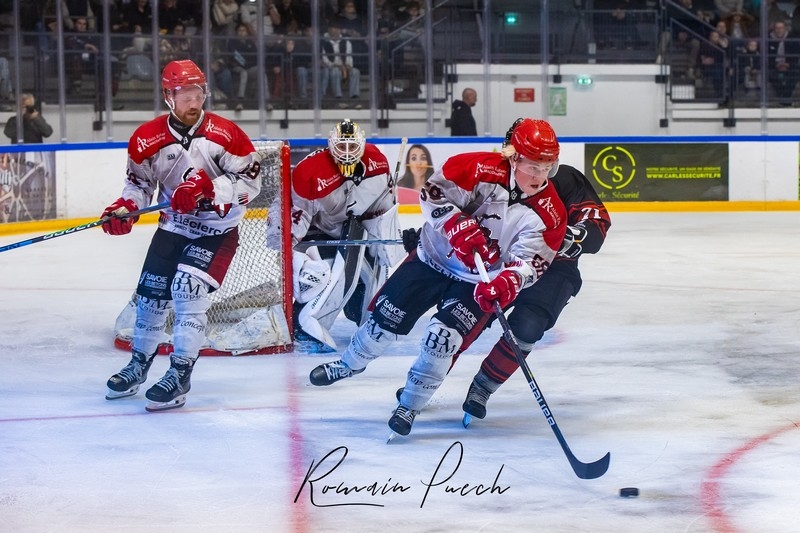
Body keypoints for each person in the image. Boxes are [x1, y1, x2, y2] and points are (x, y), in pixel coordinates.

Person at [308, 118, 568, 437]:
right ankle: (350, 364)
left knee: (442, 340)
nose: (539, 176)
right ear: (514, 157)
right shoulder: (476, 168)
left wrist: (507, 282)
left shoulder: (551, 212)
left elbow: (531, 263)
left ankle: (410, 404)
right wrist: (457, 226)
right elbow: (432, 194)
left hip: (476, 281)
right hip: (431, 259)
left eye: (547, 167)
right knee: (382, 321)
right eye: (533, 166)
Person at [103, 59, 261, 412]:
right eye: (184, 95)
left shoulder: (227, 135)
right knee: (149, 297)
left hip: (216, 230)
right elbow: (139, 185)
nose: (193, 103)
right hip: (173, 225)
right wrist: (124, 207)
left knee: (187, 290)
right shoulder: (147, 138)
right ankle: (139, 364)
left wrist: (208, 189)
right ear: (168, 97)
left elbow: (252, 183)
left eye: (197, 93)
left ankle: (179, 373)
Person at [457, 120, 612, 424]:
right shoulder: (489, 178)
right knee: (460, 321)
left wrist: (573, 235)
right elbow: (454, 213)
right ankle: (426, 380)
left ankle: (483, 387)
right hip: (495, 265)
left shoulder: (565, 179)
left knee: (527, 328)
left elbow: (597, 225)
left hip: (553, 272)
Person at [279, 118, 403, 353]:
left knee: (372, 275)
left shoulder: (377, 162)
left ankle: (371, 318)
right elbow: (296, 217)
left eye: (352, 147)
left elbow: (382, 207)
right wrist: (291, 253)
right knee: (320, 275)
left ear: (362, 145)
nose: (347, 153)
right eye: (342, 147)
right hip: (317, 234)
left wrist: (386, 238)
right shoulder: (310, 171)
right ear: (330, 145)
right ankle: (306, 321)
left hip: (355, 230)